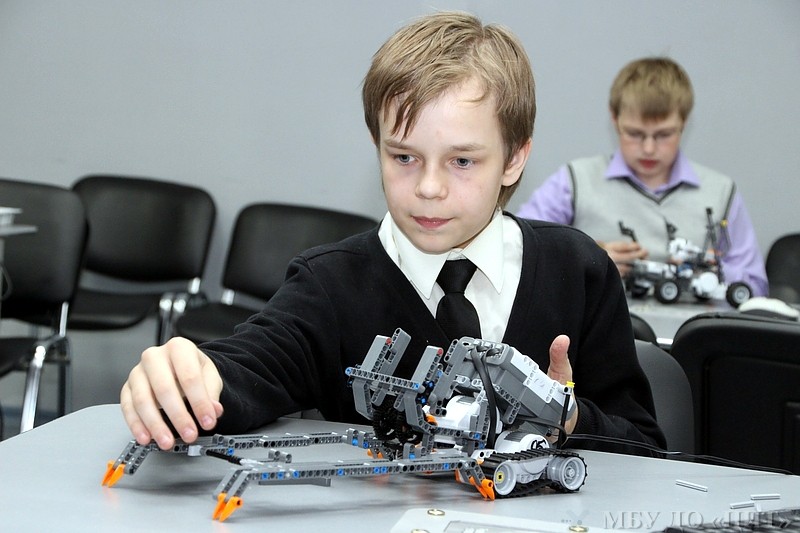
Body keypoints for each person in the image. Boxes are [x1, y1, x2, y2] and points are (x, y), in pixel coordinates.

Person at [121, 11, 665, 456]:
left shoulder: (578, 270)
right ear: (377, 145)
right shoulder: (330, 285)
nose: (428, 187)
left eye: (462, 161)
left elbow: (643, 446)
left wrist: (565, 417)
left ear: (514, 159)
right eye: (404, 156)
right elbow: (252, 366)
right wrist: (191, 375)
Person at [517, 57, 768, 296]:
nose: (648, 148)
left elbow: (755, 287)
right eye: (634, 134)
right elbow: (519, 251)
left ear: (684, 122)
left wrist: (714, 273)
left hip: (694, 325)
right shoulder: (574, 182)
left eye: (664, 135)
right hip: (600, 325)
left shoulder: (721, 193)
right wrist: (588, 260)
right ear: (614, 119)